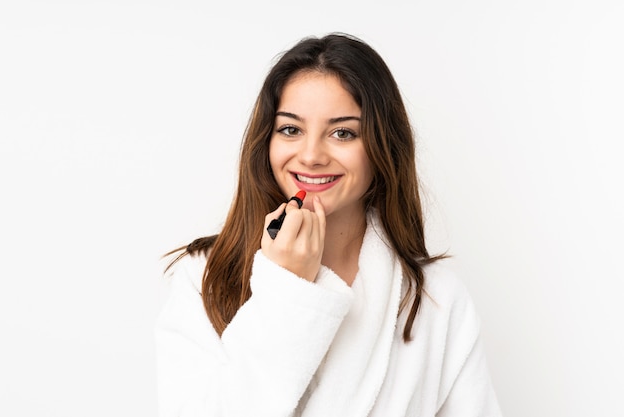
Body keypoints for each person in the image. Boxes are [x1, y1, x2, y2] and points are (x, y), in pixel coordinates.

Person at [156, 33, 502, 417]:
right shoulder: (203, 279)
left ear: (382, 146)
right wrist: (287, 287)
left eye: (343, 132)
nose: (311, 155)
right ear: (266, 142)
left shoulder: (436, 299)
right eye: (291, 129)